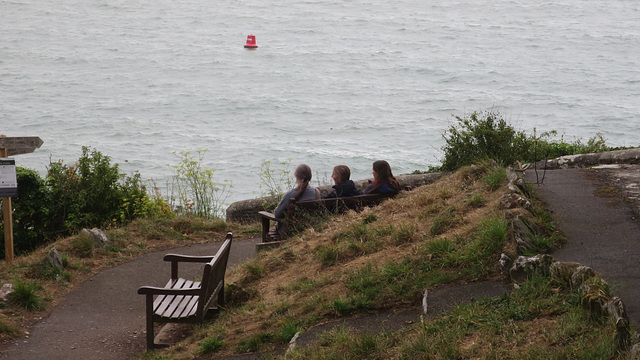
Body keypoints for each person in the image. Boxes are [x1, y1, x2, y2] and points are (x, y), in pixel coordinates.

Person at [273, 163, 319, 235]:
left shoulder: (290, 194)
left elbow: (277, 214)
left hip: (289, 230)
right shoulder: (316, 192)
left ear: (296, 177)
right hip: (308, 228)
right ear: (310, 177)